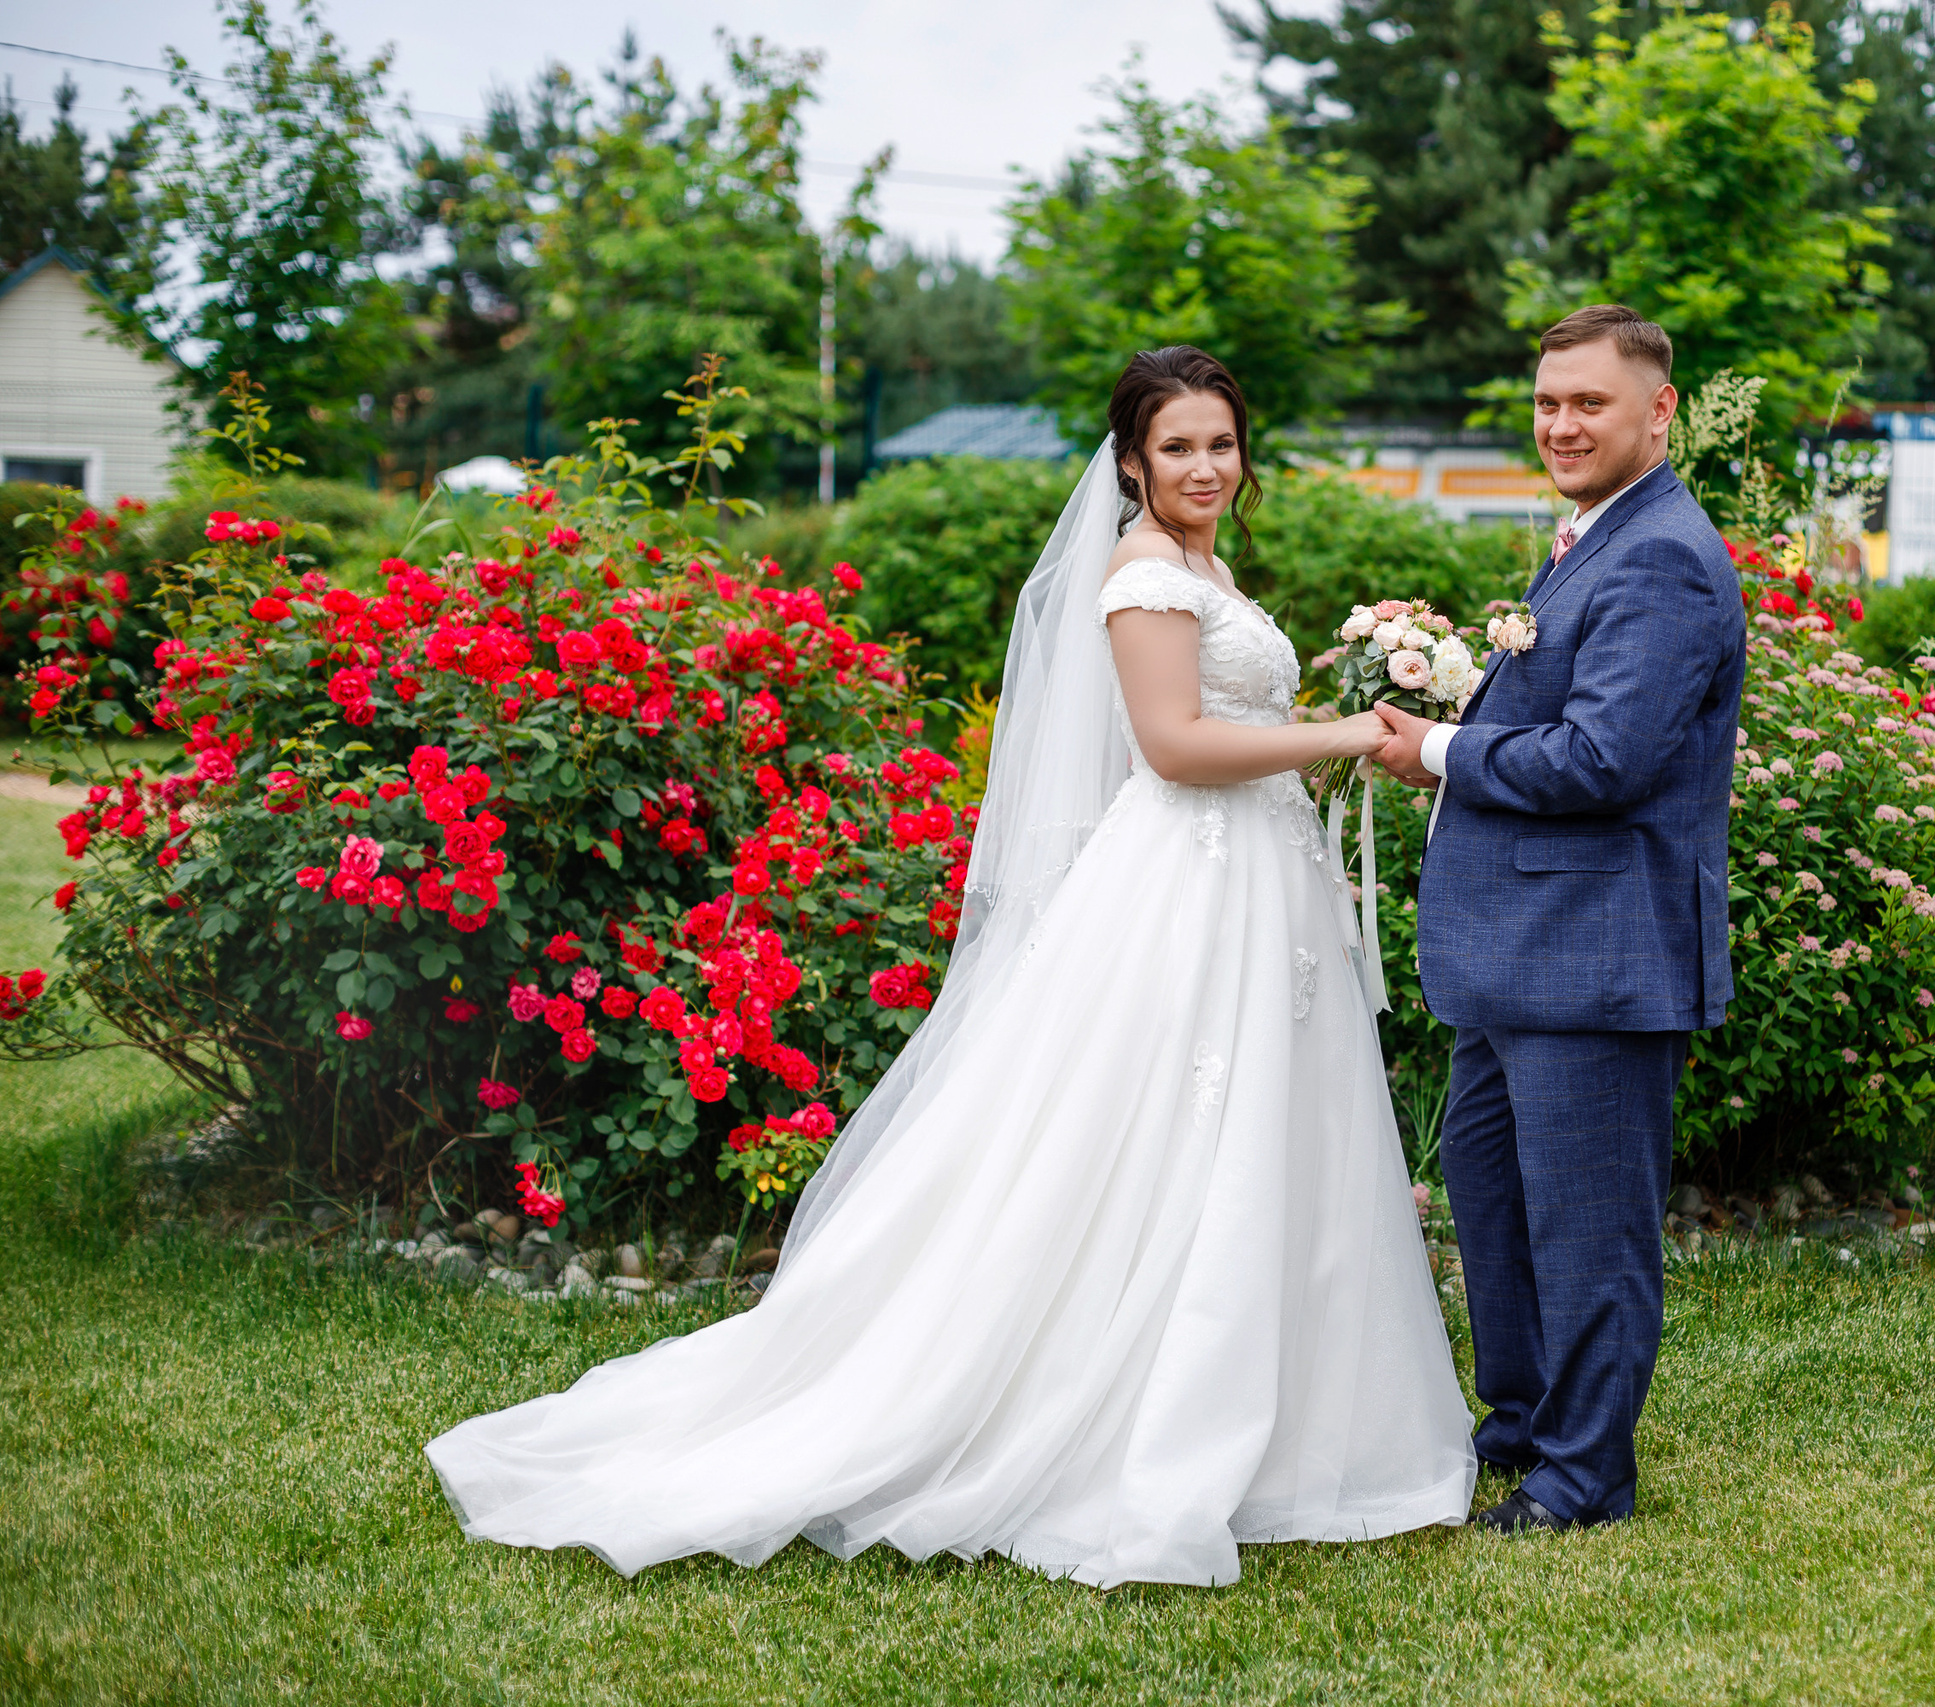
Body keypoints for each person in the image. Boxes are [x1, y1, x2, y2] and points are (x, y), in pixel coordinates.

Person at [427, 347, 1478, 1589]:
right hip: (1188, 884)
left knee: (1246, 1138)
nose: (1204, 466)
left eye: (1222, 443)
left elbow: (1234, 733)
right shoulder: (1142, 572)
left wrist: (1327, 739)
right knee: (1154, 1138)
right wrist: (1358, 730)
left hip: (1252, 881)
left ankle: (1281, 1421)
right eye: (1178, 446)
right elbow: (1175, 749)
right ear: (1132, 460)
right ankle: (1118, 1415)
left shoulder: (1205, 565)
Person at [1373, 305, 1746, 1535]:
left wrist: (1437, 743)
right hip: (1516, 961)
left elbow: (1602, 760)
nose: (1562, 423)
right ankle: (1522, 1431)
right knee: (1494, 1206)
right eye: (1547, 402)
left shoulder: (1662, 554)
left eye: (1589, 401)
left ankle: (1586, 1479)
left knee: (1587, 1232)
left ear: (1658, 409)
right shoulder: (1593, 537)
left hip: (1596, 958)